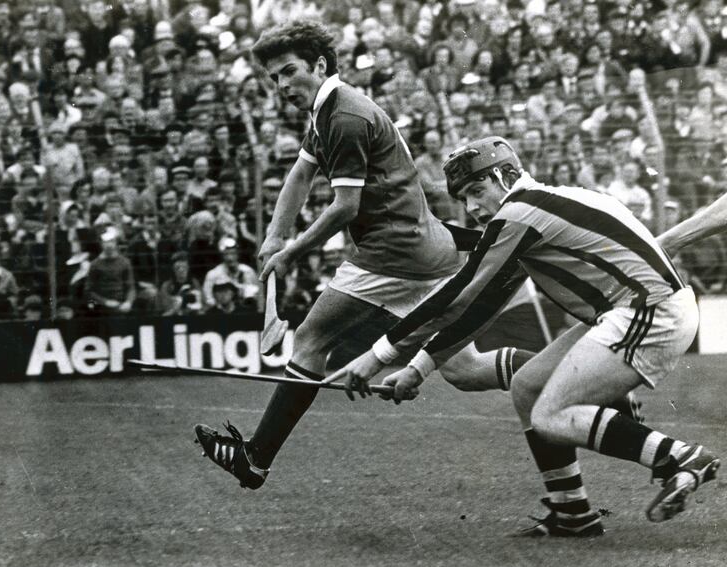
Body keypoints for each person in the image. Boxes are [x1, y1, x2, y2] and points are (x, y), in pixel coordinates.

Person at [193, 22, 539, 492]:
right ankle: (570, 372)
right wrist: (273, 236)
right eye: (274, 78)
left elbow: (345, 207)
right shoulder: (328, 111)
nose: (281, 86)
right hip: (425, 252)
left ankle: (255, 459)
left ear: (319, 65)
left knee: (310, 338)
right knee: (466, 371)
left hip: (391, 256)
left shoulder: (345, 117)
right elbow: (300, 175)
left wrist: (292, 252)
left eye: (289, 71)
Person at [328, 136, 719, 536]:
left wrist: (377, 355)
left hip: (650, 311)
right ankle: (573, 513)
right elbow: (481, 307)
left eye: (477, 190)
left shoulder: (520, 213)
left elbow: (460, 296)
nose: (472, 207)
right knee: (528, 386)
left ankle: (680, 458)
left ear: (506, 175)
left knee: (549, 416)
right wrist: (417, 369)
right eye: (463, 198)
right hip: (634, 309)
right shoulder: (536, 207)